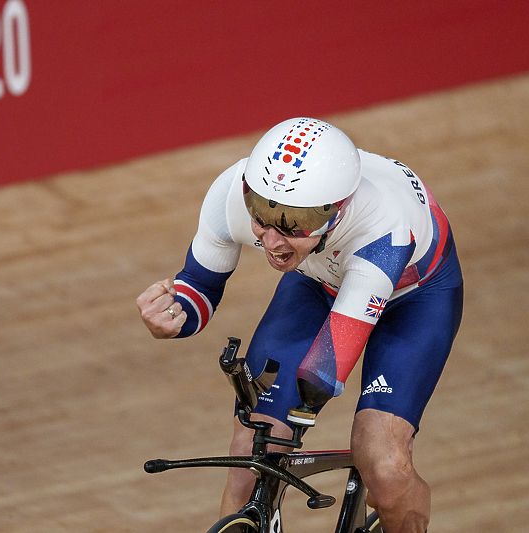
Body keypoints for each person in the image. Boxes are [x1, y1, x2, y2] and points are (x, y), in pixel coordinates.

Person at [136, 117, 463, 533]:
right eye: (262, 217)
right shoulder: (232, 194)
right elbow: (199, 286)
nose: (271, 243)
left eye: (293, 224)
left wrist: (290, 409)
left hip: (415, 298)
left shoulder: (383, 224)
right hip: (320, 281)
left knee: (382, 462)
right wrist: (173, 315)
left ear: (336, 210)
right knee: (249, 455)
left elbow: (328, 366)